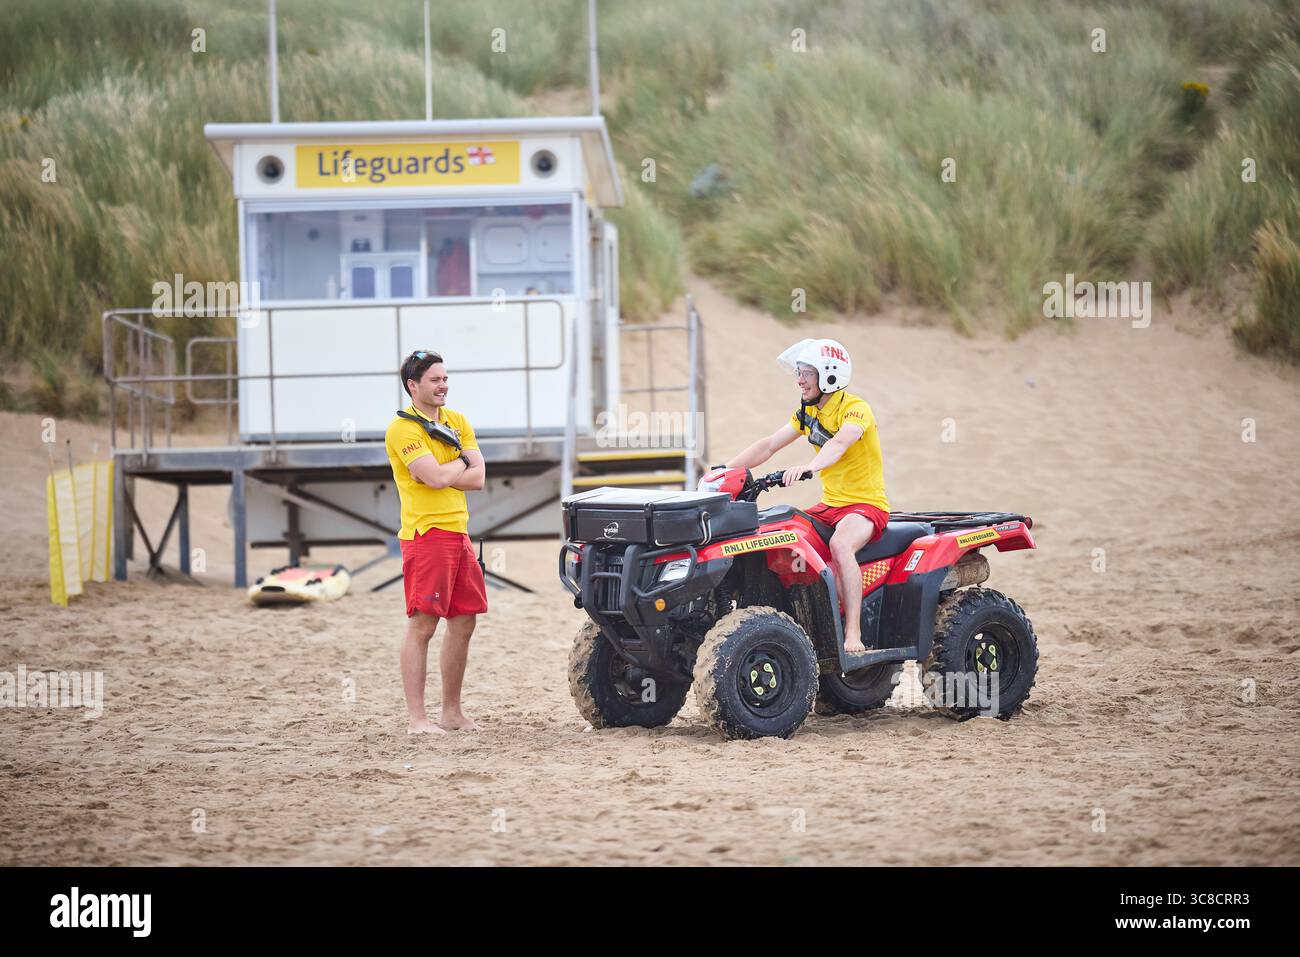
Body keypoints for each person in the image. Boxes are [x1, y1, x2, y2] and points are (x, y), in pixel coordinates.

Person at [719, 338, 889, 655]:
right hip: (830, 506)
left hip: (866, 506)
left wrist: (810, 467)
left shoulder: (855, 410)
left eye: (806, 373)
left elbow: (839, 444)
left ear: (829, 375)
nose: (800, 380)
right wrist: (725, 470)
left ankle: (853, 633)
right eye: (799, 372)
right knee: (786, 533)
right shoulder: (806, 412)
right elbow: (769, 445)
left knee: (841, 545)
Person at [385, 350, 487, 733]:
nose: (443, 385)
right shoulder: (403, 429)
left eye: (445, 378)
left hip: (459, 532)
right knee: (423, 625)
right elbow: (436, 479)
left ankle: (452, 713)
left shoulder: (457, 420)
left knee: (464, 621)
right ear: (413, 386)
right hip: (425, 535)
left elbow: (478, 480)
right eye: (434, 379)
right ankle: (417, 720)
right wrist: (461, 460)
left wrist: (453, 467)